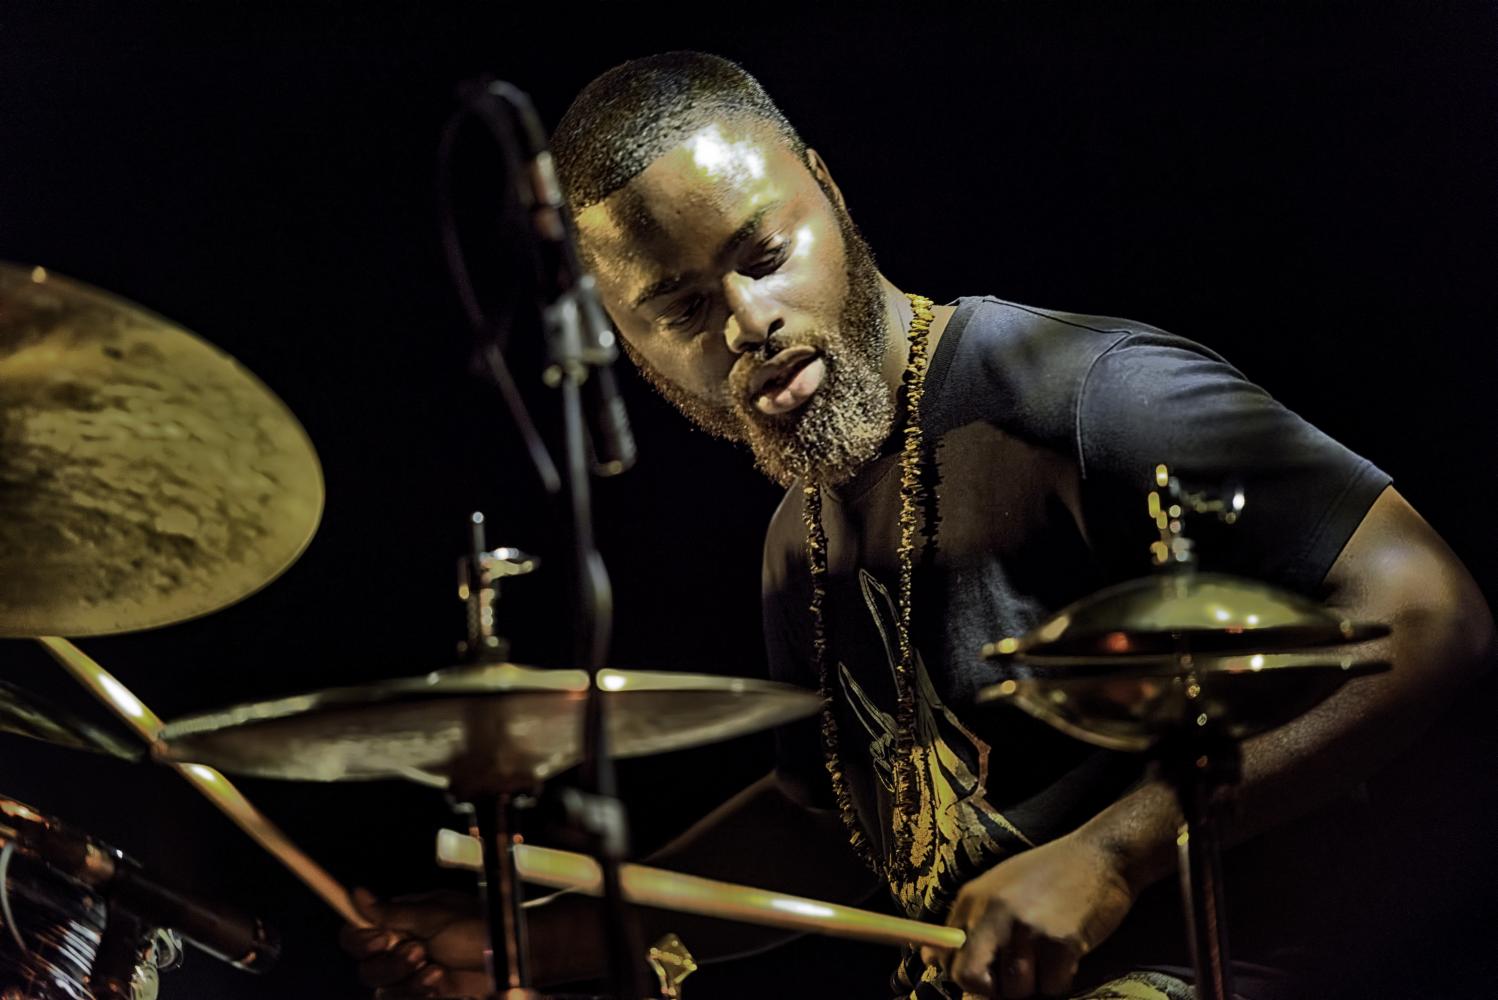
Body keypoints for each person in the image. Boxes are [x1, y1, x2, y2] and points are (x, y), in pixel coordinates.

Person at [341, 52, 1493, 999]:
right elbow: (827, 820)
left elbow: (1432, 609)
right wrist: (539, 936)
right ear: (624, 344)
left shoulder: (1083, 395)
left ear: (828, 195)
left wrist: (1113, 850)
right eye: (680, 308)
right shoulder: (797, 539)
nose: (746, 320)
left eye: (763, 254)